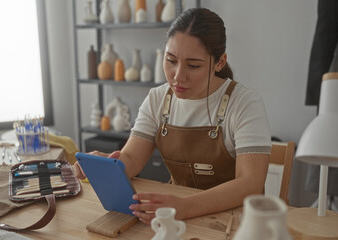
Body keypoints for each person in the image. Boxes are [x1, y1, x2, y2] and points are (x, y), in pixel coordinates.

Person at [74, 8, 272, 224]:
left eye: (193, 66)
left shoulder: (244, 103)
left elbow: (250, 183)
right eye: (171, 60)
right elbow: (131, 158)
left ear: (220, 62)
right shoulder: (158, 99)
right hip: (177, 217)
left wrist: (186, 206)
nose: (178, 76)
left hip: (235, 220)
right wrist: (105, 165)